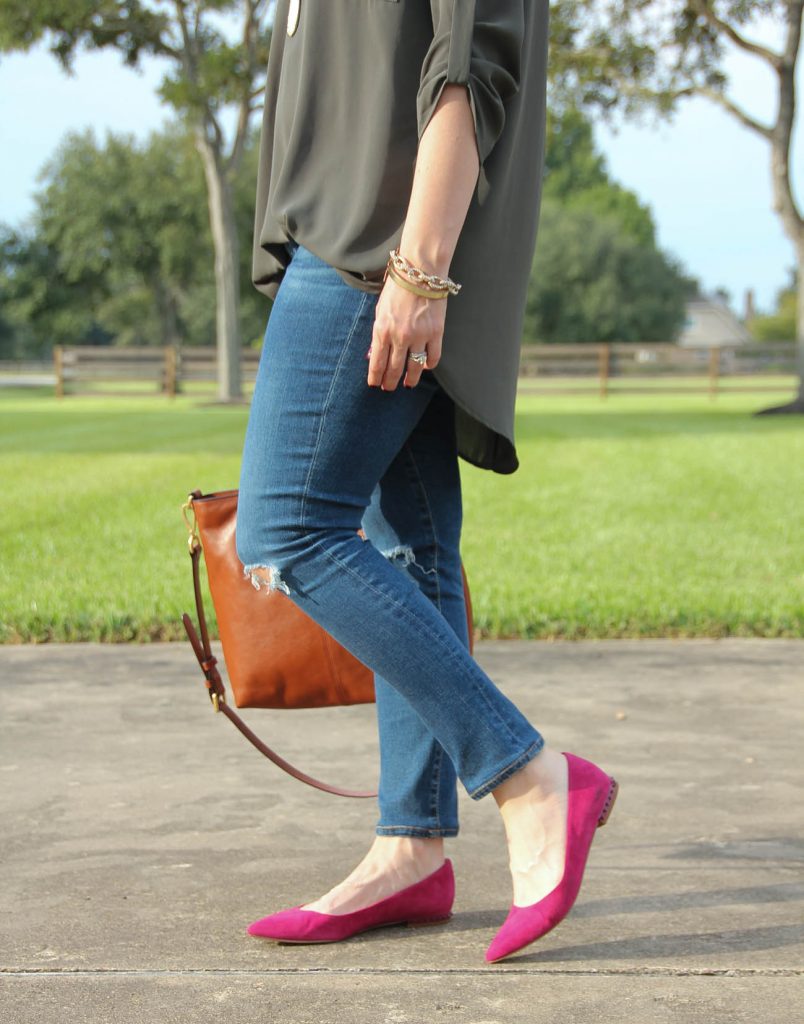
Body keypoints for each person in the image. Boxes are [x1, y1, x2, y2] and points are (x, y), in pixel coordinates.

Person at [234, 0, 618, 964]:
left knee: (286, 529)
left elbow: (470, 66)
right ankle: (410, 846)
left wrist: (419, 269)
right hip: (342, 239)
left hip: (381, 247)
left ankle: (530, 775)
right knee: (409, 549)